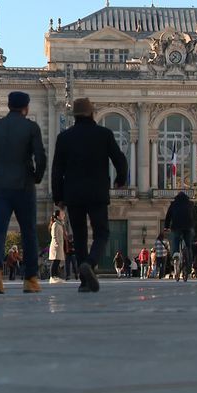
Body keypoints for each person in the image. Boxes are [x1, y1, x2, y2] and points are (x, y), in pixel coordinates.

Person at [51, 97, 127, 293]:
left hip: (73, 194)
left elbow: (57, 170)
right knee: (102, 232)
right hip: (97, 192)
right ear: (92, 113)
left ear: (74, 116)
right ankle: (90, 263)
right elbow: (120, 159)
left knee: (80, 236)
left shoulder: (64, 137)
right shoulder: (104, 134)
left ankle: (85, 281)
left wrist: (58, 196)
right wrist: (121, 179)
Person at [0, 91, 47, 294]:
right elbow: (40, 157)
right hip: (23, 185)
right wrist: (36, 177)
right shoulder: (31, 127)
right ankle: (31, 279)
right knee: (29, 232)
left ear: (8, 105)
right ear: (25, 107)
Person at [164, 192, 195, 280]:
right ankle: (188, 265)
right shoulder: (190, 204)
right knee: (188, 246)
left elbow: (168, 216)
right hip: (188, 227)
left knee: (175, 242)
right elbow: (194, 216)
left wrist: (166, 227)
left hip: (176, 226)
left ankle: (176, 255)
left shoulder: (173, 204)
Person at [48, 209, 67, 284]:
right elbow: (54, 236)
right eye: (62, 214)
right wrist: (57, 245)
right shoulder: (55, 224)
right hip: (56, 246)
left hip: (59, 246)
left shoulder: (60, 224)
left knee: (57, 261)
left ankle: (56, 277)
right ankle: (52, 277)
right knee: (55, 261)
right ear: (58, 216)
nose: (64, 215)